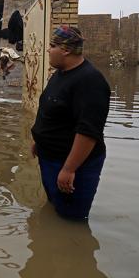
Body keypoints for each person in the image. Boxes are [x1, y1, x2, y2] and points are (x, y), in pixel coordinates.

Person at [30, 26, 111, 220]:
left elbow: (88, 131)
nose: (48, 50)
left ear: (65, 50)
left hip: (75, 166)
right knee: (54, 209)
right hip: (50, 158)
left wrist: (69, 169)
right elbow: (52, 113)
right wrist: (39, 141)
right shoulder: (60, 74)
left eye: (52, 46)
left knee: (71, 219)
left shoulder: (90, 82)